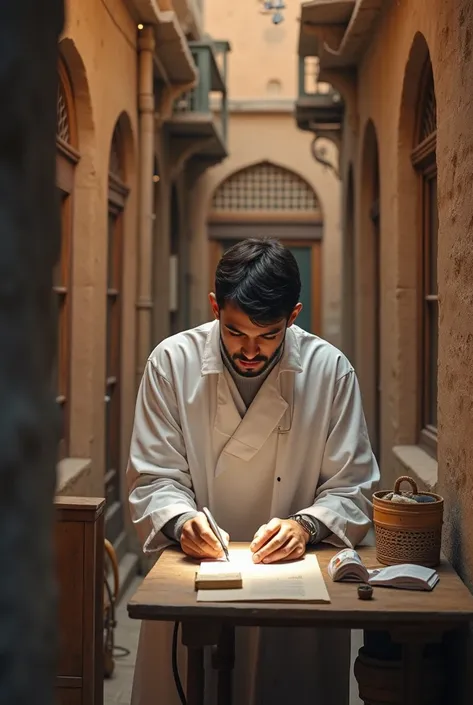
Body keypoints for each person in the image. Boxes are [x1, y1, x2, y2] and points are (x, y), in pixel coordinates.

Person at [127, 238, 379, 705]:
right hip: (196, 576)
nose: (249, 350)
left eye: (268, 335)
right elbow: (154, 477)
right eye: (235, 332)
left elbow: (353, 487)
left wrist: (305, 526)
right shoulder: (171, 364)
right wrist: (182, 522)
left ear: (294, 315)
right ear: (214, 308)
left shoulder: (330, 372)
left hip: (297, 590)